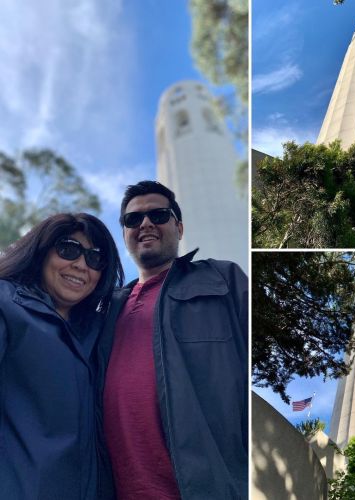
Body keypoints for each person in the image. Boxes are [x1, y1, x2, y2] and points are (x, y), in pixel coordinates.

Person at [97, 180, 248, 500]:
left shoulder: (224, 280)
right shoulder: (105, 309)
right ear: (125, 234)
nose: (146, 223)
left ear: (179, 228)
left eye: (159, 215)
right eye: (133, 219)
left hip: (207, 487)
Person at [0, 213, 124, 500]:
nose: (81, 264)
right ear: (41, 252)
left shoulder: (100, 332)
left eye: (95, 258)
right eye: (68, 249)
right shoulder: (6, 304)